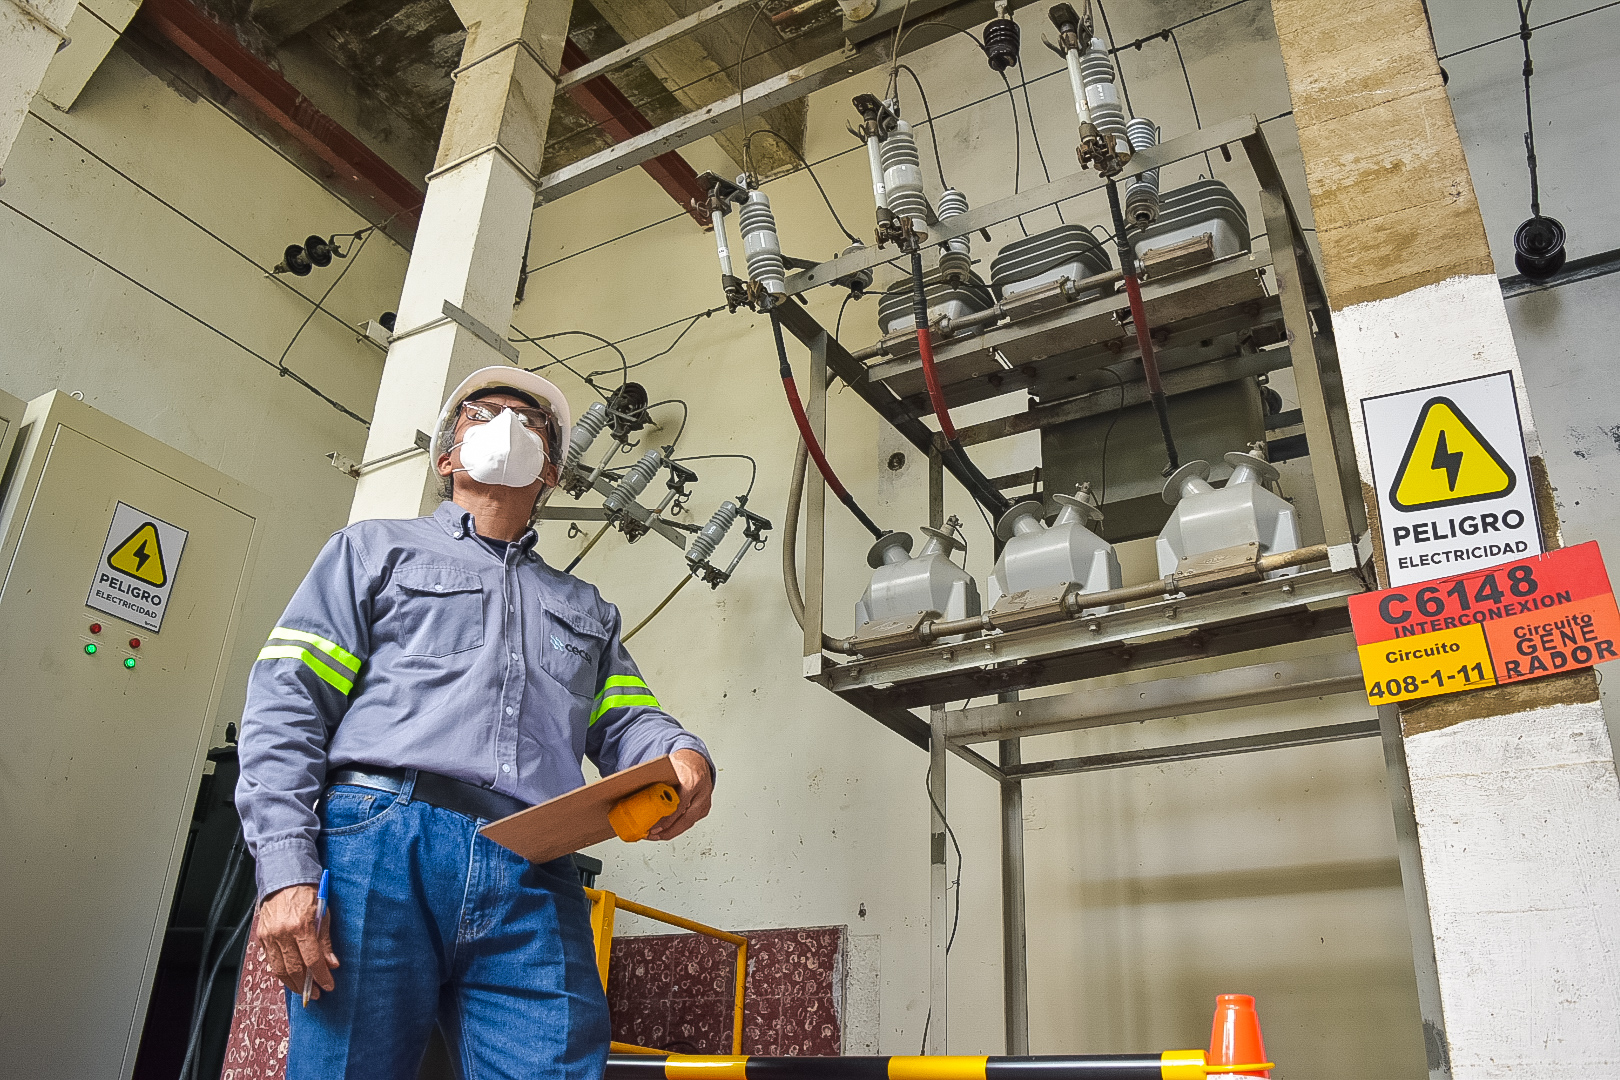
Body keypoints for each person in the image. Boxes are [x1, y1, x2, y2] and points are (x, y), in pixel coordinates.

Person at [236, 366, 714, 1078]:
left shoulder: (585, 608)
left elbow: (626, 720)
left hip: (534, 861)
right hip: (378, 841)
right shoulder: (370, 551)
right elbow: (286, 705)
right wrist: (285, 873)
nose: (507, 426)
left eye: (531, 423)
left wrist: (681, 751)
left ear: (551, 470)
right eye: (482, 413)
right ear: (447, 455)